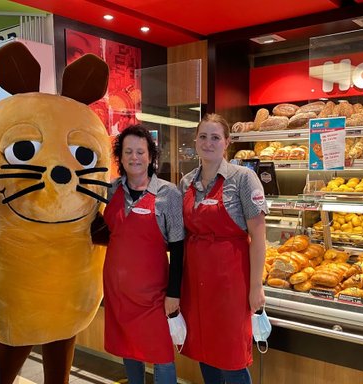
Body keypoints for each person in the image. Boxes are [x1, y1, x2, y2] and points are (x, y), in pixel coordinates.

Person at [179, 113, 268, 384]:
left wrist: (256, 286)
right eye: (203, 136)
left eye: (215, 137)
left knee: (231, 356)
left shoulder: (244, 179)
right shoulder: (186, 183)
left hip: (231, 282)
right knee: (205, 350)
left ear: (226, 142)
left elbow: (258, 235)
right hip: (196, 281)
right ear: (196, 140)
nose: (208, 143)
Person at [102, 124, 184, 384]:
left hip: (153, 295)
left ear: (150, 156)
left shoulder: (167, 194)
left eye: (140, 151)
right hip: (118, 291)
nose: (134, 157)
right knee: (129, 348)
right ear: (120, 157)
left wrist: (174, 293)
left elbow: (179, 247)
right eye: (128, 152)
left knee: (161, 355)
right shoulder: (113, 190)